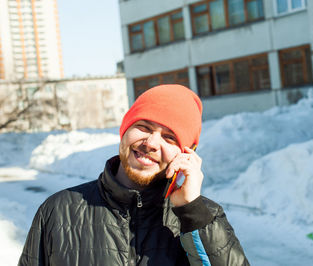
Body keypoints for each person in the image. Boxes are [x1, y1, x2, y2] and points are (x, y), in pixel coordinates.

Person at [18, 84, 249, 266]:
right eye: (144, 127)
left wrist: (192, 212)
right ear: (124, 130)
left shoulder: (204, 218)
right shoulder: (58, 211)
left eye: (170, 137)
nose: (151, 143)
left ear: (186, 154)